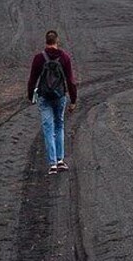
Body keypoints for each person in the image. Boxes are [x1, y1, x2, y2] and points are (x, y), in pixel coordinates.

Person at [27, 30, 78, 174]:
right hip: (59, 96)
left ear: (46, 41)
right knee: (59, 125)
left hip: (44, 97)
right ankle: (61, 160)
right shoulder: (64, 58)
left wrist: (31, 96)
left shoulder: (39, 58)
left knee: (48, 128)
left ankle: (52, 162)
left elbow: (32, 80)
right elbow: (70, 81)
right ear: (57, 41)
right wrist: (73, 100)